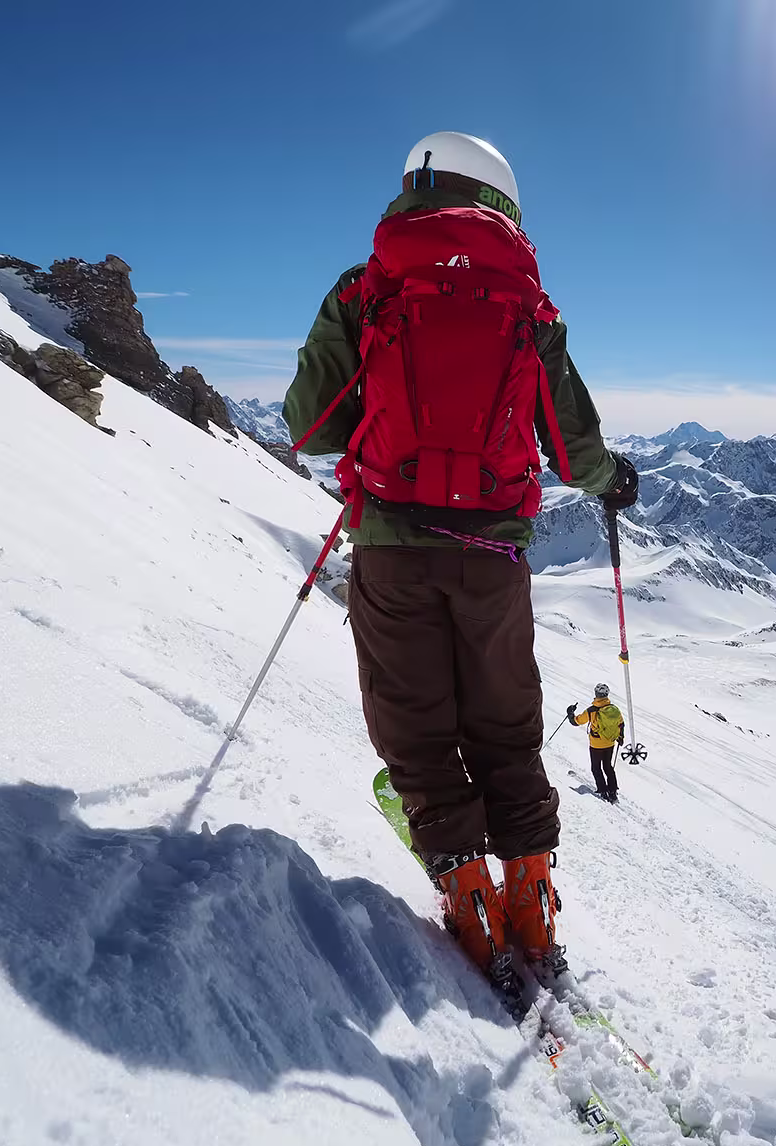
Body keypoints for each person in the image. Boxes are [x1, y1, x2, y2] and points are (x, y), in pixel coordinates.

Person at [282, 132, 639, 994]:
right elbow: (571, 443)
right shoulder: (526, 302)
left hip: (394, 554)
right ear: (505, 201)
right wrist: (612, 480)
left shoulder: (365, 288)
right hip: (492, 561)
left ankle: (468, 902)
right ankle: (531, 903)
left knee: (418, 730)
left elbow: (310, 425)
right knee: (507, 730)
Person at [567, 684, 624, 802]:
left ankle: (603, 791)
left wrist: (570, 712)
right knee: (608, 766)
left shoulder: (591, 711)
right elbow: (621, 723)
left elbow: (576, 722)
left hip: (596, 745)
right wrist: (620, 737)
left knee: (596, 768)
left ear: (596, 694)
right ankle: (613, 792)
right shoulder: (614, 709)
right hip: (610, 743)